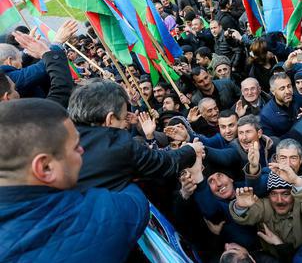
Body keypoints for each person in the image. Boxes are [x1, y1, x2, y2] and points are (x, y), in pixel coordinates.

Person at [0, 99, 149, 263]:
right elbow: (135, 202)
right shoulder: (95, 216)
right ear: (46, 167)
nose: (83, 150)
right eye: (75, 146)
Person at [68, 78, 203, 191]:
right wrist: (191, 149)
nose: (125, 125)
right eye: (123, 118)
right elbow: (163, 163)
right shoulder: (119, 146)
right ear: (110, 119)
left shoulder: (63, 134)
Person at [229, 156, 302, 256]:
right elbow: (248, 215)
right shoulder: (264, 206)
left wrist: (296, 181)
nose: (279, 200)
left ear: (293, 193)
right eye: (274, 194)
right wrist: (240, 207)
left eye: (285, 194)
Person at [260, 73, 302, 137]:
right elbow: (272, 141)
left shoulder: (299, 98)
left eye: (289, 86)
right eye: (282, 88)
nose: (288, 91)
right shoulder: (266, 115)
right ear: (273, 91)